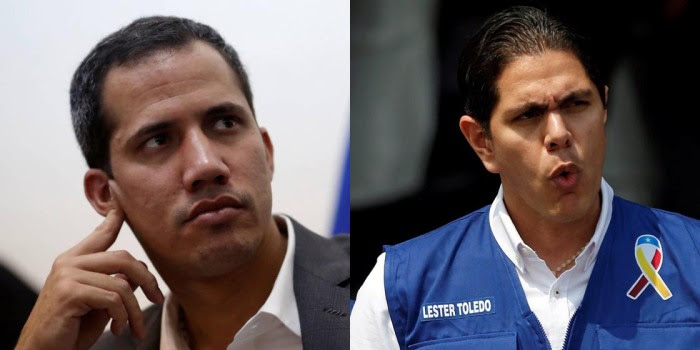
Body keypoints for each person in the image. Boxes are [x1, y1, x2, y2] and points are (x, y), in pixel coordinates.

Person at [351, 6, 700, 350]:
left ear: (604, 108)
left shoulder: (692, 258)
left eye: (576, 104)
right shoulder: (401, 287)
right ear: (482, 142)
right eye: (529, 115)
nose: (559, 133)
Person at [16, 16, 349, 350]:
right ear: (105, 194)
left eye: (225, 122)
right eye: (158, 141)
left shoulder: (384, 288)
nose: (206, 165)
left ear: (267, 151)